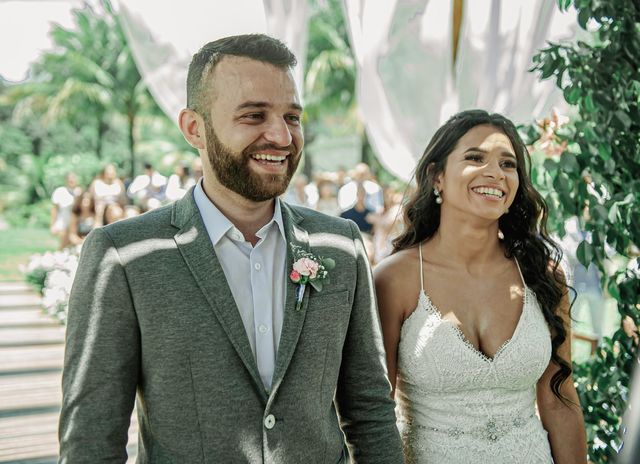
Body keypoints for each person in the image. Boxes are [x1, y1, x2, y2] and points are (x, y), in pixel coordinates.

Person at [59, 33, 403, 463]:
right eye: (254, 115)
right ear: (194, 128)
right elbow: (91, 437)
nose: (281, 136)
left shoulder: (341, 244)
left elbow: (369, 409)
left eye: (292, 117)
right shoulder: (123, 254)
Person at [374, 110, 587, 463]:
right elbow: (373, 414)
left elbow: (559, 400)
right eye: (475, 158)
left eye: (508, 164)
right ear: (437, 176)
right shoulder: (395, 279)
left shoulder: (542, 275)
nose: (495, 173)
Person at [50, 172, 81, 249]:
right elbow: (55, 209)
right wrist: (52, 225)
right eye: (70, 180)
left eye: (73, 179)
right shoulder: (60, 191)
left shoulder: (79, 191)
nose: (72, 181)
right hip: (62, 221)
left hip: (76, 223)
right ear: (66, 180)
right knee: (63, 242)